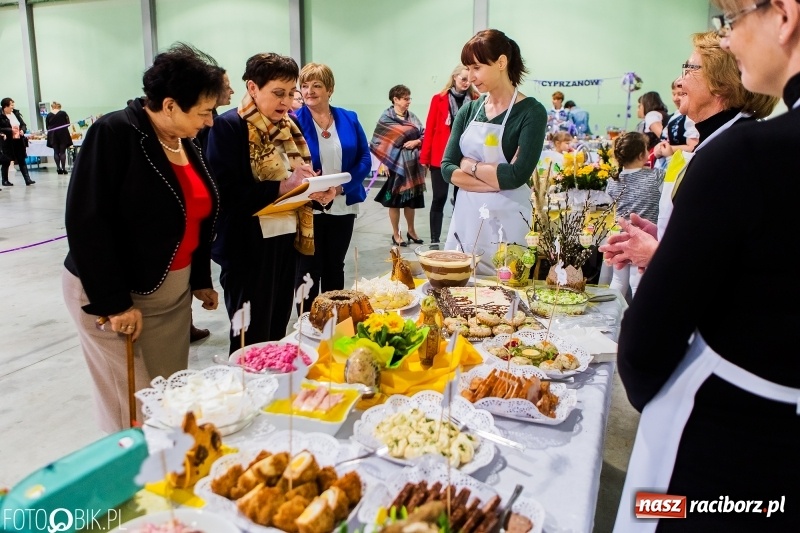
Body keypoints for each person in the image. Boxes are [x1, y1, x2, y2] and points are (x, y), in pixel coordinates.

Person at [612, 15, 795, 530]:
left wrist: (657, 392)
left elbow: (651, 338)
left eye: (737, 19)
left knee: (659, 508)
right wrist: (666, 245)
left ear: (784, 16)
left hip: (717, 432)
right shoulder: (717, 145)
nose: (733, 36)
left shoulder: (745, 151)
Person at [62, 43, 224, 432]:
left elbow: (196, 212)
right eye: (204, 112)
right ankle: (132, 481)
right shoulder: (115, 133)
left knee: (168, 398)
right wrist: (114, 304)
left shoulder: (185, 139)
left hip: (171, 296)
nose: (210, 122)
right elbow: (87, 221)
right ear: (170, 105)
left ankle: (166, 474)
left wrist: (199, 277)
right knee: (133, 410)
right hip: (119, 296)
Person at [600, 31, 778, 273]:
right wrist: (665, 235)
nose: (680, 82)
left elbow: (734, 258)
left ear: (721, 83)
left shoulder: (737, 150)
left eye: (689, 69)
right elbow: (711, 233)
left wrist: (657, 255)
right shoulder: (718, 142)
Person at [206, 52, 336, 353]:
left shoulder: (289, 128)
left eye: (291, 94)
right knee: (250, 338)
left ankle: (273, 393)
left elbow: (296, 184)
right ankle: (247, 396)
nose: (287, 102)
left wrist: (315, 193)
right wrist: (281, 187)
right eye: (278, 93)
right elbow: (224, 194)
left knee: (277, 330)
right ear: (252, 88)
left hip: (285, 243)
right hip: (248, 249)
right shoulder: (230, 127)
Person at [441, 29, 547, 274]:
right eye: (467, 68)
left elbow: (516, 175)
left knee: (506, 291)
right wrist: (496, 181)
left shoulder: (531, 112)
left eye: (476, 67)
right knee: (461, 289)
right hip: (467, 219)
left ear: (501, 62)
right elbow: (447, 168)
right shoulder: (469, 111)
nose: (470, 76)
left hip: (508, 220)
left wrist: (470, 166)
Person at [294, 62, 370, 303]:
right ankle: (306, 321)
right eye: (304, 86)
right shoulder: (293, 121)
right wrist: (312, 188)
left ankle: (334, 320)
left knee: (335, 266)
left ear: (330, 89)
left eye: (317, 85)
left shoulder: (349, 118)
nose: (309, 91)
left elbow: (364, 159)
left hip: (342, 203)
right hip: (308, 204)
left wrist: (338, 189)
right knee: (307, 270)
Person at [420, 64, 479, 243]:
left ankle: (458, 238)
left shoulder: (476, 99)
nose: (466, 83)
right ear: (454, 77)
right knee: (439, 197)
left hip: (466, 157)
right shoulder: (438, 99)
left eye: (469, 80)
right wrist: (424, 158)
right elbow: (430, 129)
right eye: (463, 79)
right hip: (441, 156)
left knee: (461, 199)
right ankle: (434, 240)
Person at [603, 132, 663, 301]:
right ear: (641, 154)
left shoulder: (612, 181)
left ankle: (612, 322)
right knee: (638, 285)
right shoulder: (657, 176)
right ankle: (638, 323)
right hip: (644, 239)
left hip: (620, 237)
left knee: (618, 282)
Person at [370, 84, 426, 246]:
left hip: (412, 166)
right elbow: (379, 142)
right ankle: (396, 234)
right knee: (394, 202)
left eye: (409, 98)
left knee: (411, 202)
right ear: (395, 99)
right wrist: (384, 163)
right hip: (394, 166)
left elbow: (424, 134)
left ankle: (411, 231)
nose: (409, 102)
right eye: (405, 99)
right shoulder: (386, 118)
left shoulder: (412, 117)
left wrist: (416, 141)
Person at [0, 98, 35, 186]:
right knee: (6, 161)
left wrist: (22, 130)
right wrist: (9, 130)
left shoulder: (15, 113)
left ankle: (27, 179)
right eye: (11, 105)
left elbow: (23, 124)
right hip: (7, 141)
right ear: (5, 107)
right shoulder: (1, 115)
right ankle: (5, 180)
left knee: (21, 159)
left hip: (18, 140)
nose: (13, 107)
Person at [45, 102, 73, 175]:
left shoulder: (48, 115)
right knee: (62, 152)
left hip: (53, 135)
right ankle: (64, 168)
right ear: (59, 107)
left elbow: (47, 126)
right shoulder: (63, 113)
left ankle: (58, 168)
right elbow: (68, 123)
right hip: (63, 134)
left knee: (56, 152)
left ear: (52, 107)